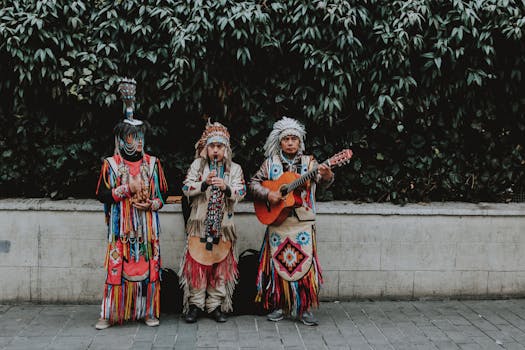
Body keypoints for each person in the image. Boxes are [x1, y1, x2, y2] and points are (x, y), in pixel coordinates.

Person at [94, 78, 168, 329]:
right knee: (116, 269)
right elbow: (103, 195)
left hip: (147, 230)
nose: (136, 141)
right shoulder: (112, 165)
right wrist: (126, 189)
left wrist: (152, 205)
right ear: (121, 138)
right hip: (121, 230)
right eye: (131, 136)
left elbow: (163, 196)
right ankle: (109, 313)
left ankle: (147, 312)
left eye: (140, 136)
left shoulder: (153, 163)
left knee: (149, 270)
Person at [250, 116, 334, 326]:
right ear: (279, 142)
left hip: (302, 223)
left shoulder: (310, 163)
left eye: (293, 139)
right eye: (286, 139)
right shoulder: (270, 164)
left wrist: (327, 175)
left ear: (300, 142)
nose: (289, 142)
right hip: (278, 223)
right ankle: (279, 304)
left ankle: (303, 308)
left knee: (303, 266)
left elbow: (324, 183)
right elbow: (253, 184)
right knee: (278, 265)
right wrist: (269, 195)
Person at [180, 120, 246, 323]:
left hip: (223, 227)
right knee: (197, 265)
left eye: (219, 146)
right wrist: (203, 183)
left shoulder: (234, 169)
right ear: (205, 149)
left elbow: (242, 191)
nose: (215, 150)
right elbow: (186, 188)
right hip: (199, 224)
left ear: (226, 149)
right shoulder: (197, 167)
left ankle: (215, 305)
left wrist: (226, 187)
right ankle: (195, 304)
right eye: (212, 146)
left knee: (220, 266)